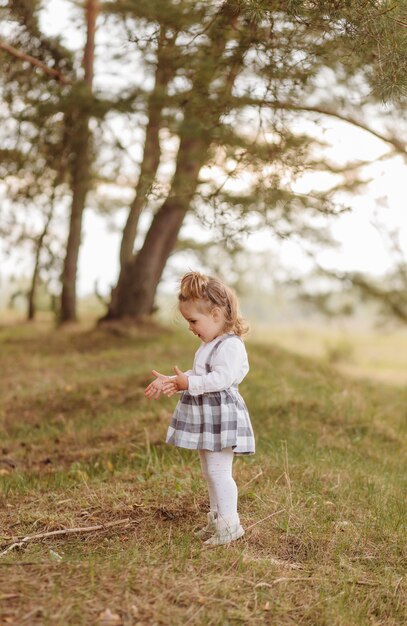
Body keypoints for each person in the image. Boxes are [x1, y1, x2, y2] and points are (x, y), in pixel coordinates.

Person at [144, 270, 255, 546]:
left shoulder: (231, 346)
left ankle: (231, 525)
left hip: (222, 416)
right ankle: (218, 519)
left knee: (219, 472)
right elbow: (197, 374)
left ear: (216, 315)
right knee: (209, 471)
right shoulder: (210, 343)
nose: (191, 327)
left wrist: (188, 384)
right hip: (209, 417)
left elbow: (221, 379)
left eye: (194, 321)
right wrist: (174, 381)